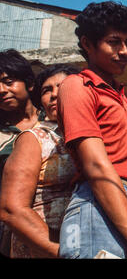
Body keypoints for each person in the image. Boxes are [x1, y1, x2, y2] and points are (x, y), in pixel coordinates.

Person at [56, 1, 127, 259]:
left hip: (125, 207)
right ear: (88, 44)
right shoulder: (77, 86)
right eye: (114, 42)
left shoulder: (118, 94)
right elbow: (97, 167)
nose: (124, 51)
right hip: (97, 208)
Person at [0, 64, 79, 258]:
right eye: (47, 90)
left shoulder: (96, 134)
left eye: (62, 87)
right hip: (44, 247)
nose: (54, 95)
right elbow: (12, 209)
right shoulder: (35, 138)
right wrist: (62, 252)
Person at [0, 49, 42, 257]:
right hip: (9, 231)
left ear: (29, 83)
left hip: (57, 222)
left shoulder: (54, 122)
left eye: (8, 81)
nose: (1, 90)